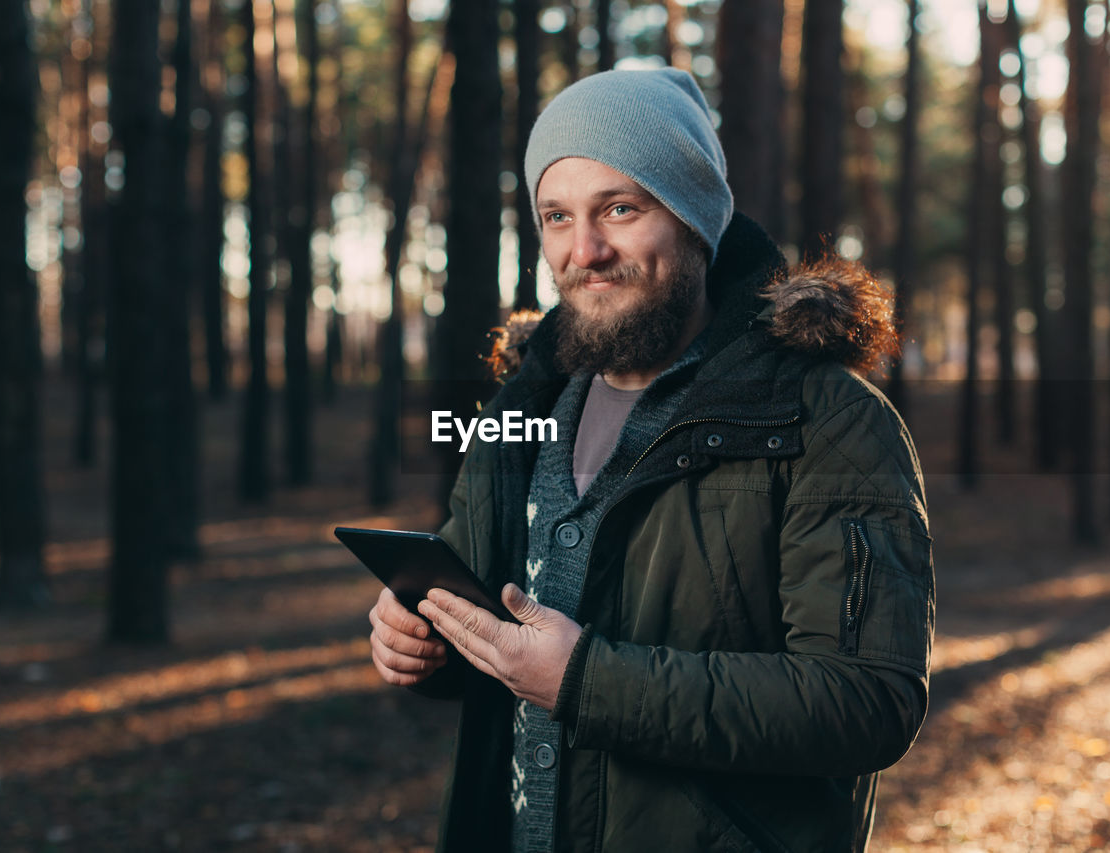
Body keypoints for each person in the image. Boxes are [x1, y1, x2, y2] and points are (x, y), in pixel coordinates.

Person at [367, 67, 934, 853]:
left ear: (696, 217)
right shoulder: (520, 413)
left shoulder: (827, 421)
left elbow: (866, 700)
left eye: (620, 209)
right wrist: (423, 641)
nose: (584, 250)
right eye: (556, 217)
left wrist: (584, 680)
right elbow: (498, 638)